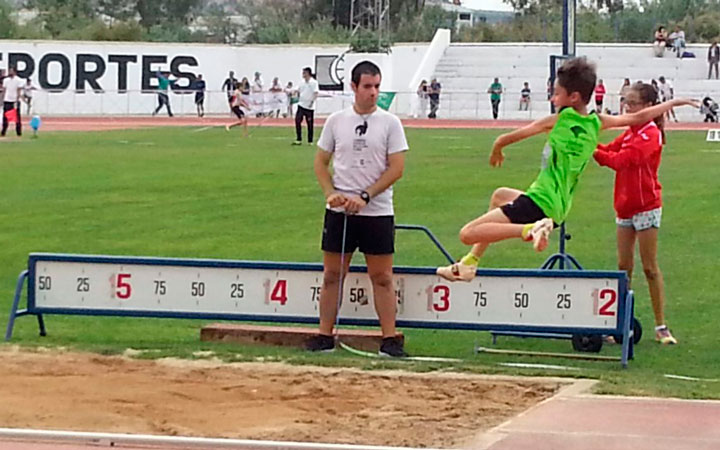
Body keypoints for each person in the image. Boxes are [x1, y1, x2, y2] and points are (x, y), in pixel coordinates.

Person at [435, 58, 697, 282]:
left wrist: (496, 147)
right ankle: (470, 264)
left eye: (556, 93)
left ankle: (530, 230)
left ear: (573, 97)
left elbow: (508, 137)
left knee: (467, 233)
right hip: (558, 207)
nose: (552, 97)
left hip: (540, 203)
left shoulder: (556, 121)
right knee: (500, 195)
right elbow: (639, 117)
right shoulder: (598, 122)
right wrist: (674, 103)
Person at [308, 60, 409, 357]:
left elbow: (397, 168)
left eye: (377, 86)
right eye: (367, 86)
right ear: (353, 87)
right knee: (332, 274)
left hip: (376, 211)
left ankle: (389, 339)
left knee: (382, 276)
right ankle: (324, 335)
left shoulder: (391, 123)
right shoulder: (336, 121)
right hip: (340, 213)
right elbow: (320, 163)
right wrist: (331, 193)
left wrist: (365, 196)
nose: (373, 92)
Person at [593, 82, 677, 345]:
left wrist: (590, 150)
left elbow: (621, 160)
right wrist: (588, 143)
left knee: (649, 267)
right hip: (625, 206)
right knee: (623, 267)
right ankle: (619, 323)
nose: (627, 108)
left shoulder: (650, 134)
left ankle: (661, 326)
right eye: (625, 103)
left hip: (646, 206)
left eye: (632, 104)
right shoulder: (630, 131)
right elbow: (610, 150)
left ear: (647, 107)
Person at [293, 67, 318, 146]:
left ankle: (310, 140)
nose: (303, 75)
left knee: (309, 124)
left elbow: (315, 93)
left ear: (308, 73)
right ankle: (298, 139)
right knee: (297, 121)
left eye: (304, 73)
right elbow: (297, 90)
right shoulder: (302, 82)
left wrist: (312, 102)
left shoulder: (313, 82)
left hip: (309, 107)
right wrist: (293, 93)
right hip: (301, 105)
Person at [1, 66, 23, 137]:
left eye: (11, 71)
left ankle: (18, 132)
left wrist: (17, 100)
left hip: (14, 100)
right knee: (5, 117)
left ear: (14, 72)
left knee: (17, 117)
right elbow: (4, 90)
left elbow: (18, 91)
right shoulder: (6, 80)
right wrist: (2, 99)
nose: (10, 72)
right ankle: (3, 131)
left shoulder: (18, 80)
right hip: (7, 100)